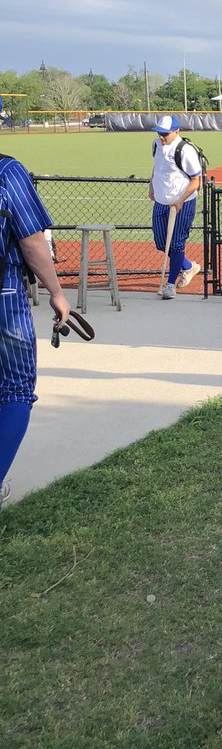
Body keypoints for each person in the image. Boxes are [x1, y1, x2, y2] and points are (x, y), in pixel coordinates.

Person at [0, 154, 70, 505]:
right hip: (5, 292)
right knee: (16, 388)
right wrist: (56, 292)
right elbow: (32, 242)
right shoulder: (7, 171)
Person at [149, 115, 203, 300]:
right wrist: (152, 186)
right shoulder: (156, 144)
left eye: (165, 134)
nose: (161, 137)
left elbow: (196, 180)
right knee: (161, 242)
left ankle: (170, 285)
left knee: (177, 243)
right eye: (159, 133)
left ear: (176, 131)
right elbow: (157, 167)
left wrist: (180, 200)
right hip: (161, 201)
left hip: (182, 203)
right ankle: (188, 267)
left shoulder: (185, 150)